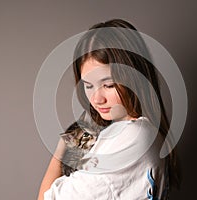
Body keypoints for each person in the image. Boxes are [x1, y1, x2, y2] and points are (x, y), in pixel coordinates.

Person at [38, 19, 181, 200]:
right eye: (88, 86)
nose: (97, 99)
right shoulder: (147, 133)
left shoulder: (132, 137)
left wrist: (62, 150)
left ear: (134, 78)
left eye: (109, 84)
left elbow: (45, 198)